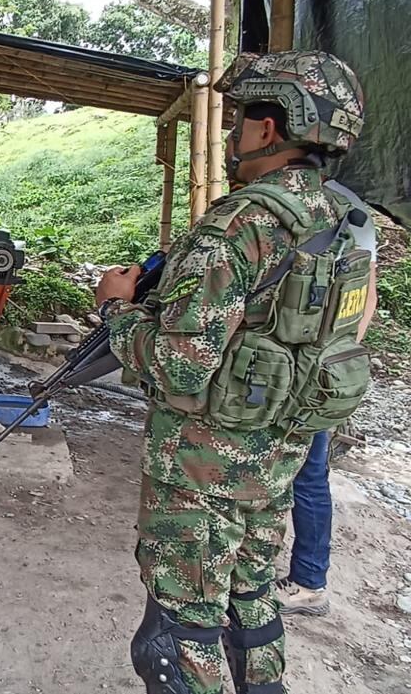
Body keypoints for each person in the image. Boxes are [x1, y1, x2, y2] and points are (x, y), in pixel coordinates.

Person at [97, 51, 370, 694]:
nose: (231, 134)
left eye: (240, 118)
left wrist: (116, 308)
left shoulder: (236, 228)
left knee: (178, 634)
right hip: (278, 457)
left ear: (268, 129)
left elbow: (178, 369)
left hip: (203, 469)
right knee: (251, 599)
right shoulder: (337, 221)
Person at [274, 180, 377, 616]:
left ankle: (307, 582)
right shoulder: (354, 211)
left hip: (288, 372)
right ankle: (308, 580)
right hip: (326, 370)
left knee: (299, 474)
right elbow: (366, 297)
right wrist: (335, 361)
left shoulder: (285, 197)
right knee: (310, 476)